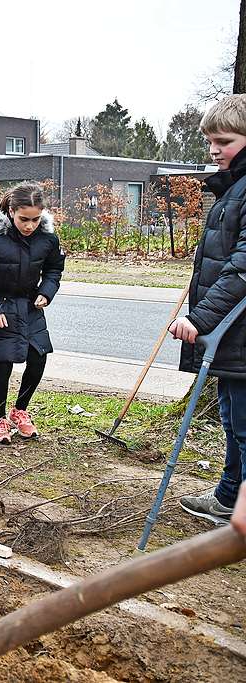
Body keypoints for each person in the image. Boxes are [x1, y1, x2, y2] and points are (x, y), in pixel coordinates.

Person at [173, 95, 246, 526]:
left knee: (243, 425)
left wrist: (200, 320)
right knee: (231, 415)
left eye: (224, 140)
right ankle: (228, 497)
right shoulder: (232, 187)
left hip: (237, 329)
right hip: (233, 336)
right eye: (210, 141)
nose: (214, 149)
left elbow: (241, 269)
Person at [0, 182, 65, 445]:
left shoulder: (48, 240)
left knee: (38, 357)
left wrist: (47, 291)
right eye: (23, 219)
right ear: (11, 211)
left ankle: (19, 410)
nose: (29, 226)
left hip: (31, 307)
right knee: (4, 362)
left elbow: (54, 269)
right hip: (0, 307)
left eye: (35, 219)